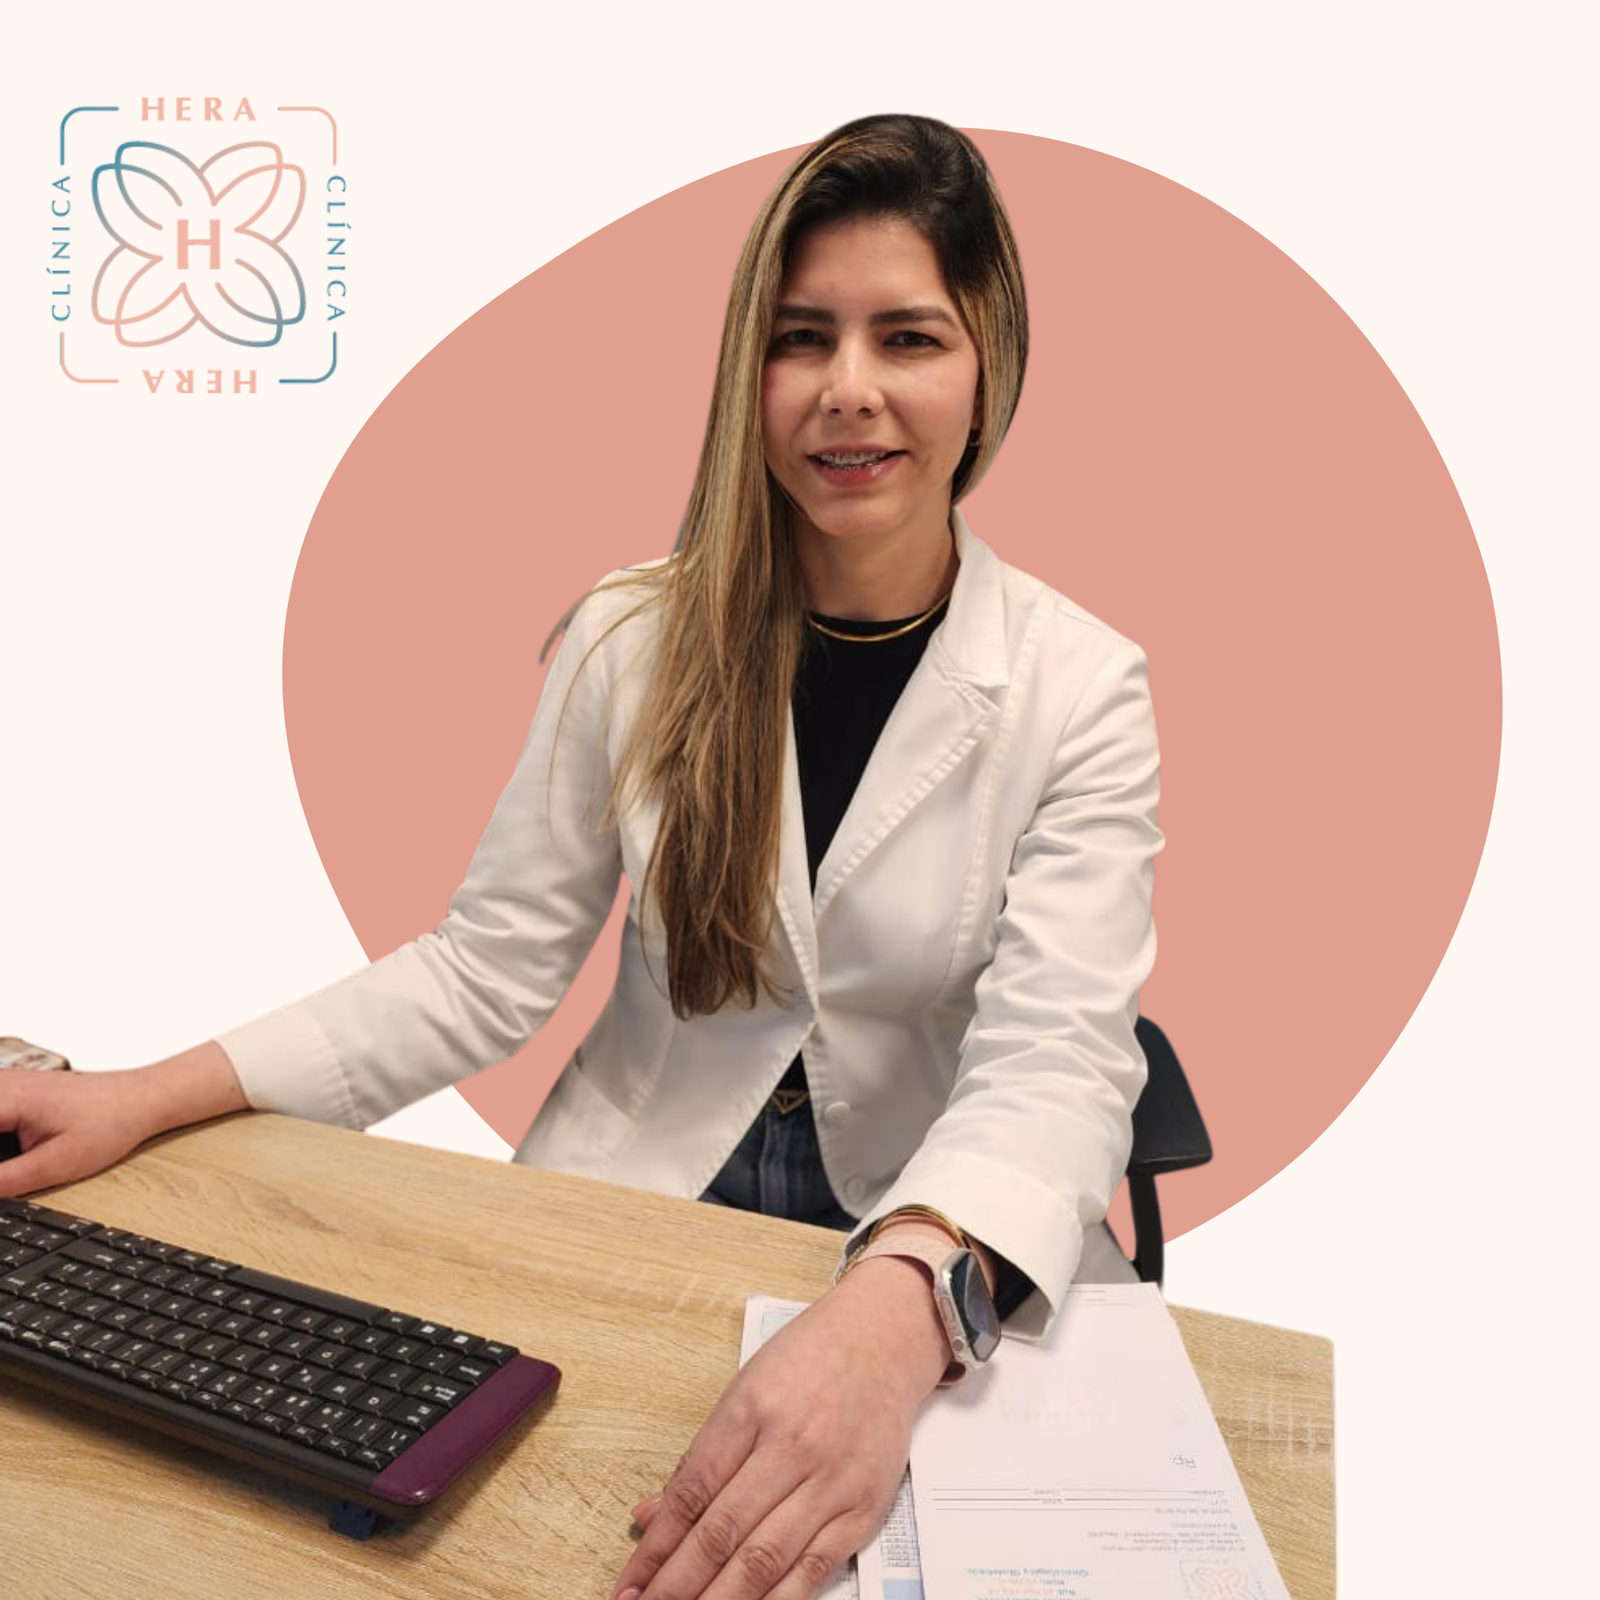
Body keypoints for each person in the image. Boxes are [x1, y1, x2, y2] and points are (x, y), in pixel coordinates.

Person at [0, 115, 1160, 1600]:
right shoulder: (635, 635)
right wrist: (144, 1093)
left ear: (991, 361)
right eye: (801, 338)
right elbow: (483, 970)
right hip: (633, 1205)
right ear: (748, 369)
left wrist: (902, 1303)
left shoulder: (1083, 685)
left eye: (909, 337)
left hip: (936, 1218)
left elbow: (1060, 1059)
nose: (849, 389)